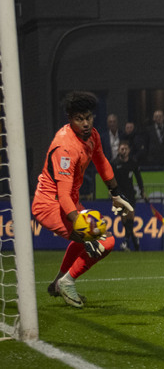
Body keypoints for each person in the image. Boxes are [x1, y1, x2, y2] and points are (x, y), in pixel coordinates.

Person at [31, 91, 133, 308]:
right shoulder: (65, 147)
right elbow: (63, 195)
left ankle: (59, 282)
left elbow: (102, 161)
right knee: (105, 241)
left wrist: (115, 192)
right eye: (79, 119)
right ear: (70, 118)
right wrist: (84, 230)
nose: (86, 123)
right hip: (50, 204)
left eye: (88, 117)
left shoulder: (92, 135)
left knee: (86, 238)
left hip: (68, 201)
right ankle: (67, 282)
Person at [111, 140, 145, 251]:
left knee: (130, 215)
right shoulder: (115, 163)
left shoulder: (132, 162)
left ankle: (125, 242)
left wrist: (142, 190)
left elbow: (138, 178)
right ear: (118, 150)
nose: (123, 150)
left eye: (125, 148)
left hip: (130, 193)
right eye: (122, 148)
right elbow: (111, 179)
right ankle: (134, 239)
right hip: (119, 194)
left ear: (129, 150)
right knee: (124, 219)